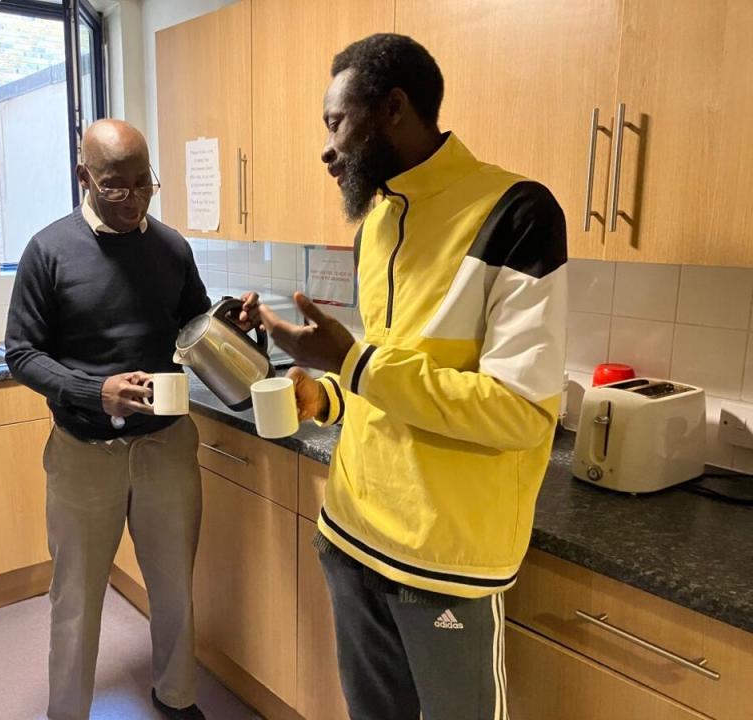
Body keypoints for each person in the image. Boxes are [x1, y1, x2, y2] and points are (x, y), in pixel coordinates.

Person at [257, 34, 568, 720]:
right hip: (350, 533)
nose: (326, 148)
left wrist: (353, 363)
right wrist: (329, 392)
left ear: (394, 109)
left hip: (443, 562)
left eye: (336, 122)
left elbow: (517, 411)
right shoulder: (377, 222)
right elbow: (395, 371)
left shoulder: (515, 213)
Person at [5, 119, 256, 720]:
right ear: (84, 177)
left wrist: (232, 327)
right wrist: (96, 392)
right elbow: (22, 354)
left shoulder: (171, 248)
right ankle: (67, 712)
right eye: (116, 185)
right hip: (83, 451)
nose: (134, 198)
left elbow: (192, 327)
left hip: (166, 446)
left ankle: (176, 696)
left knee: (174, 588)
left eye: (144, 183)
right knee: (77, 598)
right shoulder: (48, 251)